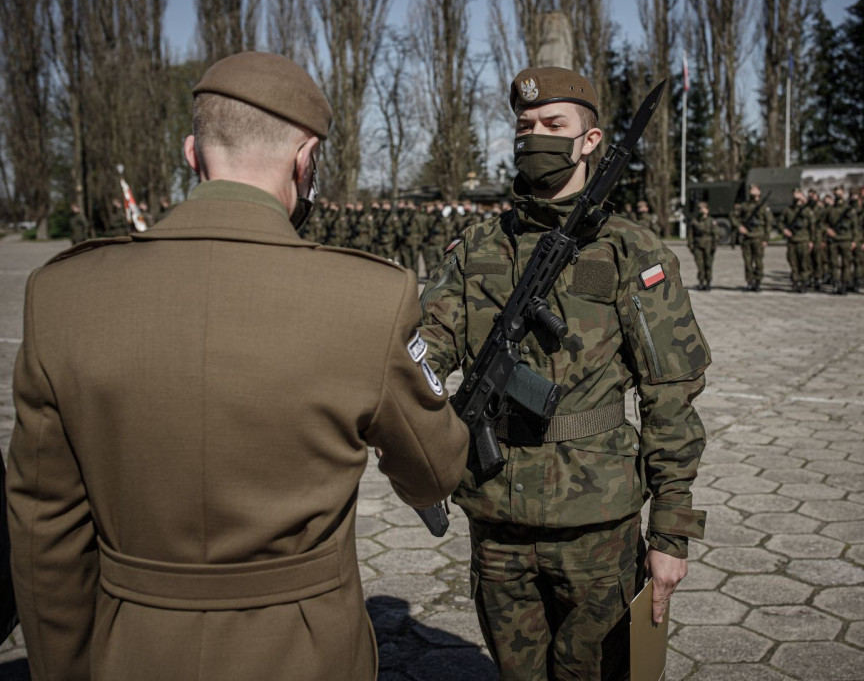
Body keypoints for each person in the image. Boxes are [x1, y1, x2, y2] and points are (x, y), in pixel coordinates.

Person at [7, 51, 469, 681]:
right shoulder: (369, 298)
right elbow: (436, 467)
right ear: (305, 160)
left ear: (193, 153)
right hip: (306, 654)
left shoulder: (61, 295)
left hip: (131, 648)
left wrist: (64, 668)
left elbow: (43, 532)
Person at [418, 67, 709, 680]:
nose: (535, 137)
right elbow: (421, 357)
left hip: (597, 525)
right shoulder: (475, 249)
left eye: (554, 125)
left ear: (591, 140)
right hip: (497, 519)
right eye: (525, 126)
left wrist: (670, 535)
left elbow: (671, 399)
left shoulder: (630, 251)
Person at [730, 184, 773, 291]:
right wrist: (739, 226)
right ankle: (750, 281)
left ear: (759, 191)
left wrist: (766, 239)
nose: (752, 192)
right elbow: (732, 216)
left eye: (754, 189)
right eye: (751, 190)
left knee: (758, 261)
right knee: (748, 262)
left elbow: (768, 224)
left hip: (758, 237)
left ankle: (758, 281)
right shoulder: (744, 206)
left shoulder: (763, 207)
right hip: (747, 238)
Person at [824, 186, 858, 295]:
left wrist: (855, 241)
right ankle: (836, 284)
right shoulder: (829, 209)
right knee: (834, 265)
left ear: (843, 194)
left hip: (846, 240)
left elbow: (855, 226)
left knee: (846, 264)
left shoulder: (849, 210)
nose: (838, 195)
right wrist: (827, 230)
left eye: (840, 193)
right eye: (836, 193)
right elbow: (821, 223)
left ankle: (844, 284)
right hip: (834, 241)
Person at [780, 188, 814, 292]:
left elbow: (812, 226)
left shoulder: (807, 210)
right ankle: (796, 282)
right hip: (792, 240)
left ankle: (804, 282)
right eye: (795, 194)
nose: (796, 196)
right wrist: (784, 230)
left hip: (803, 239)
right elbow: (780, 222)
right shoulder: (788, 210)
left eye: (798, 194)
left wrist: (811, 240)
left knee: (804, 263)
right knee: (793, 263)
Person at [687, 201, 717, 290]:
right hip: (698, 245)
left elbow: (716, 234)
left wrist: (714, 245)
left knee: (708, 264)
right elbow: (690, 235)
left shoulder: (711, 221)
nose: (702, 210)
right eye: (700, 209)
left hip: (709, 245)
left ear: (707, 210)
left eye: (703, 208)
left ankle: (708, 282)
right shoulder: (694, 221)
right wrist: (690, 245)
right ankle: (701, 281)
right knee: (700, 265)